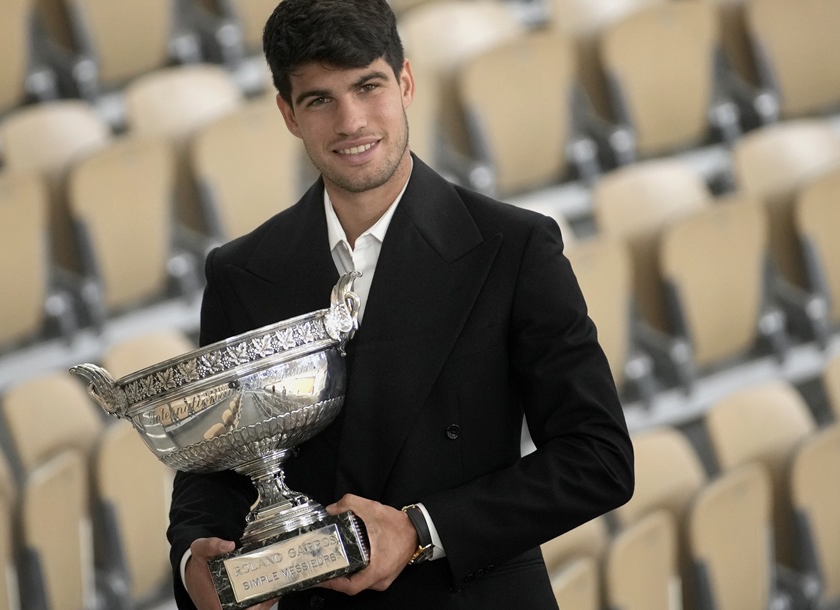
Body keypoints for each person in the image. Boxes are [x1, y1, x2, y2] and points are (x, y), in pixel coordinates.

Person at [167, 1, 634, 608]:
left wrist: (420, 529)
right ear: (288, 114)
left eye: (368, 86)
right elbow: (216, 463)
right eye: (319, 100)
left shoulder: (514, 247)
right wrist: (195, 559)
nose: (351, 121)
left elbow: (597, 458)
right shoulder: (241, 271)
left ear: (405, 82)